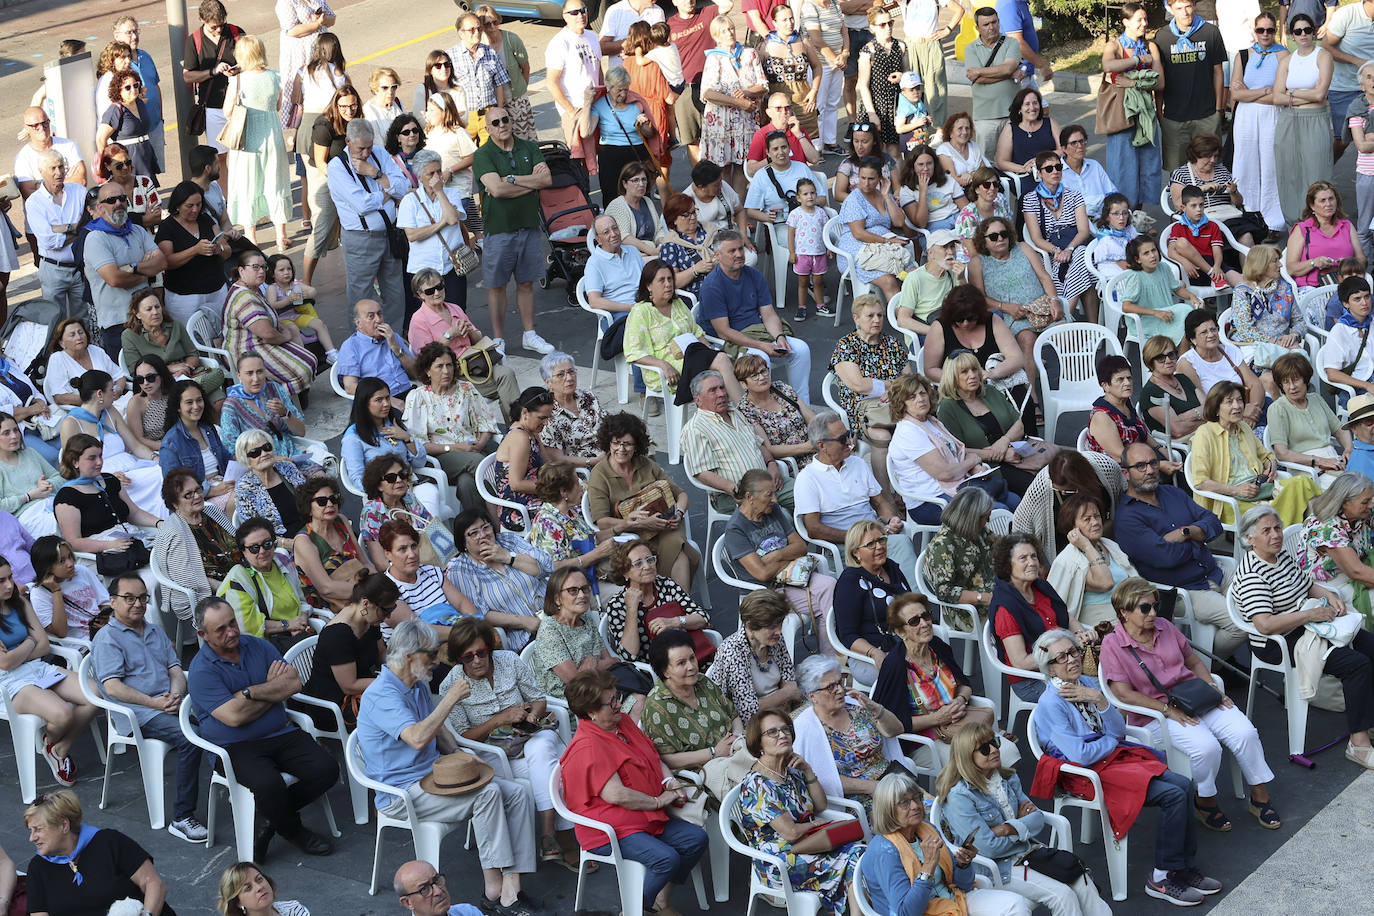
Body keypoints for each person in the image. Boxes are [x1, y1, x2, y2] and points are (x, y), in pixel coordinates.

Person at [357, 618, 538, 914]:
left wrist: (462, 754)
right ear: (408, 657)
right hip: (401, 793)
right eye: (431, 654)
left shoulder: (414, 683)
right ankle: (494, 894)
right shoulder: (381, 695)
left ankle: (512, 888)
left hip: (435, 776)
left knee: (517, 793)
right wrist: (450, 699)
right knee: (488, 794)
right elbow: (417, 738)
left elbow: (440, 731)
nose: (436, 660)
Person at [1030, 628, 1221, 905]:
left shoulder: (1087, 683)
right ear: (1049, 668)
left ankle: (1182, 867)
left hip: (1111, 760)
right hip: (1086, 774)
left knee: (1184, 783)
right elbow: (1081, 755)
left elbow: (1120, 728)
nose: (1071, 660)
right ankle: (1161, 877)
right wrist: (1110, 739)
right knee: (1173, 794)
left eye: (1073, 652)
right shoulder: (1050, 703)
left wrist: (1101, 701)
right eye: (1061, 657)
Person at [1099, 576, 1278, 832]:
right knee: (1206, 747)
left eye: (1154, 606)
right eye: (1144, 608)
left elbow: (1193, 662)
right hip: (1155, 714)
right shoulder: (1113, 645)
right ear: (1124, 612)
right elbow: (1124, 695)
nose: (1153, 613)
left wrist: (1212, 687)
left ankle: (1259, 795)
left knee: (1244, 731)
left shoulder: (1164, 626)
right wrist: (1167, 710)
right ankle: (1205, 801)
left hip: (1194, 697)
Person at [188, 595, 340, 859]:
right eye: (221, 629)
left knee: (327, 768)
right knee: (268, 784)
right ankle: (295, 831)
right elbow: (234, 718)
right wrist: (273, 692)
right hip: (234, 746)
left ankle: (269, 818)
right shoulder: (202, 671)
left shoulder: (258, 646)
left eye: (232, 622)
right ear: (203, 634)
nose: (232, 631)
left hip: (280, 733)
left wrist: (249, 692)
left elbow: (293, 684)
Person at [559, 667, 708, 916]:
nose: (618, 705)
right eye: (611, 703)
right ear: (592, 713)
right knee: (666, 859)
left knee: (695, 840)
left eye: (617, 697)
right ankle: (633, 910)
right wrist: (659, 801)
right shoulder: (589, 745)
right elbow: (617, 795)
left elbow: (652, 755)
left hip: (641, 814)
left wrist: (669, 782)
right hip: (608, 826)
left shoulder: (622, 722)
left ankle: (657, 902)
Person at [1234, 503, 1374, 769]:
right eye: (1266, 531)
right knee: (1357, 664)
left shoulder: (1278, 557)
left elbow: (1307, 584)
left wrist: (1329, 596)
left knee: (1371, 645)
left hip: (1304, 626)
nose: (1275, 535)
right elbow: (1264, 625)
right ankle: (1358, 743)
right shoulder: (1253, 573)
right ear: (1249, 538)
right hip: (1279, 642)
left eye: (1277, 528)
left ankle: (1367, 719)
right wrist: (1310, 616)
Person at [439, 616, 576, 870]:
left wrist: (532, 717)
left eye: (482, 652)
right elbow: (463, 738)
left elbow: (537, 699)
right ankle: (563, 838)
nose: (477, 660)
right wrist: (499, 720)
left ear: (490, 649)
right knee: (557, 767)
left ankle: (547, 833)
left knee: (544, 744)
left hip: (529, 741)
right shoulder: (452, 684)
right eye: (468, 657)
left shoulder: (509, 661)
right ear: (459, 658)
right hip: (492, 755)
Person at [938, 723, 1110, 916]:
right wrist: (1021, 827)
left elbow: (1037, 818)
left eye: (994, 743)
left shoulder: (1007, 778)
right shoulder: (959, 797)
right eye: (985, 749)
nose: (994, 750)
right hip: (998, 867)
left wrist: (1007, 829)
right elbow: (987, 848)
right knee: (1062, 895)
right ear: (967, 757)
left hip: (1028, 852)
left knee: (1081, 878)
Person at [92, 570, 208, 841]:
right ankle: (182, 817)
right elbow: (113, 687)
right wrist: (155, 703)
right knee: (191, 738)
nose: (138, 604)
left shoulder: (154, 630)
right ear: (113, 601)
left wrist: (175, 695)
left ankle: (231, 783)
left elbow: (175, 669)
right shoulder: (108, 639)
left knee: (220, 717)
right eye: (129, 598)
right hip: (139, 714)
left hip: (167, 702)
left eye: (143, 598)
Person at [1115, 440, 1247, 662]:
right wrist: (1198, 538)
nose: (1149, 470)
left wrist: (1187, 532)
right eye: (1140, 466)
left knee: (1261, 600)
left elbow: (1213, 523)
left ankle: (1211, 658)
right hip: (1183, 590)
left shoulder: (1171, 493)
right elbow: (1166, 557)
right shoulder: (1127, 518)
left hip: (1214, 572)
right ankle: (1207, 663)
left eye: (1153, 463)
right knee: (1241, 623)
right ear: (1125, 473)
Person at [734, 708, 865, 916]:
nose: (782, 735)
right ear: (758, 743)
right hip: (779, 860)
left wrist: (808, 771)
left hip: (810, 844)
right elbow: (791, 833)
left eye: (785, 729)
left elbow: (820, 806)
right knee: (856, 857)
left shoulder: (791, 771)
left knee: (860, 854)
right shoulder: (757, 785)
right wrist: (817, 825)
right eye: (773, 732)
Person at [864, 769, 1029, 916]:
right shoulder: (884, 850)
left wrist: (963, 865)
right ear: (888, 810)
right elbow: (907, 911)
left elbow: (963, 886)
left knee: (1016, 905)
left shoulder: (926, 829)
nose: (915, 806)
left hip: (952, 900)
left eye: (917, 798)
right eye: (905, 802)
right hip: (924, 911)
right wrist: (928, 867)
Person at [0, 553, 95, 787]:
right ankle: (55, 745)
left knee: (95, 694)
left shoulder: (19, 602)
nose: (10, 585)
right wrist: (30, 642)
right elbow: (6, 664)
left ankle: (57, 747)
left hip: (37, 668)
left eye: (10, 577)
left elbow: (43, 644)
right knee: (62, 713)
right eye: (1, 581)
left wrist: (23, 649)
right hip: (10, 683)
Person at [871, 592, 996, 766]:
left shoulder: (937, 647)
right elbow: (891, 725)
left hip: (958, 727)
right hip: (923, 742)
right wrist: (938, 718)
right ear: (900, 632)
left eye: (926, 616)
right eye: (914, 621)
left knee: (1005, 752)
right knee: (981, 761)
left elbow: (964, 685)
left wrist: (960, 700)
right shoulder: (895, 665)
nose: (925, 623)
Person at [474, 104, 555, 357]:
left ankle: (529, 334)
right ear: (488, 129)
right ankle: (498, 339)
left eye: (504, 119)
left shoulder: (529, 147)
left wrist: (511, 180)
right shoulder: (483, 155)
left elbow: (547, 180)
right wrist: (530, 183)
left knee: (526, 282)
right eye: (495, 123)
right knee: (496, 286)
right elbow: (495, 190)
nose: (502, 125)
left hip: (528, 227)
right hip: (499, 230)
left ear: (512, 120)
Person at [587, 412, 698, 589]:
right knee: (682, 552)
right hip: (631, 536)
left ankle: (677, 607)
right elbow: (602, 522)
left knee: (676, 542)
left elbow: (682, 495)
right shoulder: (600, 475)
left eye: (628, 444)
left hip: (665, 527)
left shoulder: (646, 464)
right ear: (608, 442)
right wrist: (635, 523)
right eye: (616, 442)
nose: (621, 449)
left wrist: (678, 512)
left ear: (636, 445)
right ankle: (679, 607)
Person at [1189, 380, 1321, 528]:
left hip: (1260, 489)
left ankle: (1312, 535)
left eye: (1239, 400)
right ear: (1216, 408)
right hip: (1231, 500)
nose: (1237, 406)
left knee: (1303, 483)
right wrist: (1236, 490)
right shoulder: (1205, 433)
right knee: (1270, 513)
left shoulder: (1243, 427)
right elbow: (1200, 482)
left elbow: (1267, 456)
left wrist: (1270, 467)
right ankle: (1290, 536)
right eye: (1229, 402)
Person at [22, 790, 173, 916]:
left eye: (38, 829)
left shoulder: (109, 842)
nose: (32, 838)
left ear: (64, 825)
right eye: (31, 831)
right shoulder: (38, 867)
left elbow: (154, 884)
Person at [725, 468, 838, 635]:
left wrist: (777, 555)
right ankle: (832, 655)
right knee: (830, 605)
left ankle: (830, 656)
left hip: (792, 578)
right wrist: (789, 555)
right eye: (768, 495)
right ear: (749, 497)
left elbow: (801, 546)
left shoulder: (773, 510)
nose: (775, 499)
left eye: (774, 493)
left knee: (831, 585)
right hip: (763, 593)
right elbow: (762, 574)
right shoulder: (736, 530)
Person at [888, 372, 1017, 520]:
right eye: (912, 397)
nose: (921, 399)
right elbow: (945, 474)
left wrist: (975, 467)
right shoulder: (908, 432)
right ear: (901, 403)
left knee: (1014, 500)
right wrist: (973, 461)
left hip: (958, 486)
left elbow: (957, 452)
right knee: (998, 512)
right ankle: (1001, 543)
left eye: (922, 393)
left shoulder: (931, 421)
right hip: (930, 502)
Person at [700, 230, 811, 400]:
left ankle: (802, 405)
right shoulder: (712, 286)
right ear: (717, 255)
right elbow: (724, 331)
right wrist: (762, 346)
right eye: (732, 251)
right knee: (761, 359)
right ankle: (766, 412)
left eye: (741, 249)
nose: (739, 254)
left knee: (801, 349)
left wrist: (780, 337)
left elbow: (768, 314)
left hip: (759, 333)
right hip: (730, 343)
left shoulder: (754, 275)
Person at [793, 653, 910, 811]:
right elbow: (820, 779)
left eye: (840, 682)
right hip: (858, 799)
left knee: (932, 815)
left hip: (893, 780)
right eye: (830, 687)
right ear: (812, 695)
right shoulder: (805, 727)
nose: (840, 690)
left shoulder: (856, 705)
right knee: (907, 820)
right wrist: (871, 787)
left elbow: (896, 730)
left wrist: (874, 707)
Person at [967, 216, 1061, 405]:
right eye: (993, 237)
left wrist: (1055, 300)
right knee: (1027, 340)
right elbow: (979, 299)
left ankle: (1074, 384)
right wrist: (1005, 307)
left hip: (1042, 308)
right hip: (1013, 317)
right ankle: (1031, 397)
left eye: (1003, 234)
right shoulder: (978, 263)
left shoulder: (1023, 248)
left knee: (1069, 334)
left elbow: (1044, 277)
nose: (1000, 239)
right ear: (983, 240)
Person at [625, 258, 740, 409]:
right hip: (666, 370)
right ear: (648, 286)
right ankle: (746, 412)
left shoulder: (678, 304)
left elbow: (697, 333)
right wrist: (664, 365)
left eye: (670, 279)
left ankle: (730, 414)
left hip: (693, 356)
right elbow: (633, 352)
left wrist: (710, 350)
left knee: (725, 363)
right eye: (661, 280)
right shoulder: (641, 311)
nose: (668, 284)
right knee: (721, 363)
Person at [328, 120, 409, 329]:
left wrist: (375, 173)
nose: (365, 153)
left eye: (369, 147)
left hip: (390, 233)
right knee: (361, 297)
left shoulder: (379, 154)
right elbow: (362, 204)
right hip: (361, 239)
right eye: (360, 148)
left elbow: (404, 186)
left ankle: (394, 342)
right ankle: (362, 345)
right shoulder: (337, 166)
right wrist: (387, 193)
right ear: (347, 141)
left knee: (395, 293)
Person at [407, 272, 518, 419]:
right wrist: (449, 335)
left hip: (476, 365)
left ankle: (517, 429)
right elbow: (426, 360)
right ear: (420, 294)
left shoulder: (454, 308)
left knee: (506, 375)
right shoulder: (418, 320)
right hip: (453, 375)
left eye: (439, 287)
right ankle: (516, 430)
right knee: (505, 386)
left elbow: (479, 340)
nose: (437, 293)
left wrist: (470, 330)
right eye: (429, 291)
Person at [683, 370, 795, 515]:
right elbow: (702, 473)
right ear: (698, 399)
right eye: (713, 390)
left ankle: (815, 532)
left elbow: (758, 444)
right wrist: (734, 489)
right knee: (779, 523)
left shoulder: (735, 413)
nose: (721, 393)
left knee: (811, 495)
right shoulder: (695, 429)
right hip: (733, 495)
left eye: (722, 387)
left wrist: (771, 464)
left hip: (768, 482)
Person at [935, 350, 1044, 496]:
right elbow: (957, 450)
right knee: (1037, 489)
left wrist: (1004, 442)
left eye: (974, 369)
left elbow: (1019, 425)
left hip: (1018, 453)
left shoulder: (990, 391)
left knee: (1058, 474)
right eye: (964, 372)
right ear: (953, 377)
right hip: (988, 467)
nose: (972, 375)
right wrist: (998, 454)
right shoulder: (948, 408)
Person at [830, 292, 910, 488]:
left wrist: (890, 390)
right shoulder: (846, 345)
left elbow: (908, 379)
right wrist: (891, 385)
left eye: (880, 315)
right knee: (882, 436)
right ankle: (883, 495)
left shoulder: (892, 343)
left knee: (916, 428)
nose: (876, 320)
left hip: (896, 402)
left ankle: (907, 491)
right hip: (864, 409)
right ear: (856, 318)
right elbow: (859, 385)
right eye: (870, 316)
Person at [641, 628, 741, 783]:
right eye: (681, 663)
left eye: (692, 658)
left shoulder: (703, 682)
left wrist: (737, 739)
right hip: (706, 770)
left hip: (736, 749)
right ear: (665, 671)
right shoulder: (657, 706)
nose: (692, 666)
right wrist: (714, 752)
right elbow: (667, 758)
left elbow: (733, 714)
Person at [447, 508, 554, 651]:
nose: (483, 535)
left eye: (486, 527)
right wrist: (524, 622)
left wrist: (508, 557)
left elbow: (546, 567)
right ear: (463, 542)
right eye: (474, 533)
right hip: (525, 634)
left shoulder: (509, 541)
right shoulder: (460, 569)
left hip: (556, 613)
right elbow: (480, 614)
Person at [52, 435, 163, 569]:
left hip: (130, 538)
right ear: (75, 462)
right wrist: (110, 545)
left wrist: (159, 523)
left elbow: (134, 513)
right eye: (92, 458)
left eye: (100, 456)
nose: (99, 462)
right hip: (104, 554)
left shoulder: (110, 480)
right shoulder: (67, 496)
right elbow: (73, 542)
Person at [83, 180, 168, 356]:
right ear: (99, 208)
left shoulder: (137, 230)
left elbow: (161, 262)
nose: (118, 203)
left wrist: (133, 267)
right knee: (132, 378)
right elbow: (115, 279)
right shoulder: (95, 238)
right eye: (111, 200)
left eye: (122, 198)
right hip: (118, 324)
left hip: (146, 319)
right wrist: (146, 273)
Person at [225, 34, 293, 252]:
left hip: (247, 140)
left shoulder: (238, 80)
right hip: (272, 136)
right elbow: (279, 105)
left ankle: (251, 236)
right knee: (276, 182)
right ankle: (281, 235)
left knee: (248, 184)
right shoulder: (276, 77)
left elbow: (227, 112)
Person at [918, 284, 1025, 416]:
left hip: (994, 385)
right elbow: (930, 369)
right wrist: (959, 380)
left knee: (1020, 396)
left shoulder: (992, 321)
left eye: (971, 318)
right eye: (959, 319)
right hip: (957, 391)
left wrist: (992, 374)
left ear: (979, 314)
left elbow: (1016, 358)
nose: (965, 324)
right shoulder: (940, 327)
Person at [342, 377, 442, 518]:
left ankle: (430, 537)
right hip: (382, 496)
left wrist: (407, 438)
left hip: (409, 486)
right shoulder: (353, 437)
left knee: (430, 492)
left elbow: (419, 462)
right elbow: (357, 478)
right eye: (379, 400)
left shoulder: (394, 424)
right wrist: (384, 488)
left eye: (387, 398)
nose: (386, 404)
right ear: (364, 403)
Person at [223, 252, 318, 398]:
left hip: (259, 343)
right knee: (303, 371)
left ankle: (282, 399)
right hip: (246, 350)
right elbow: (267, 334)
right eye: (255, 267)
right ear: (241, 271)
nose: (261, 271)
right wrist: (285, 336)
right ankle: (267, 406)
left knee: (311, 360)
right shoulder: (245, 297)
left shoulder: (252, 289)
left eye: (263, 267)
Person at [603, 537, 711, 664]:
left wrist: (674, 622)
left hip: (689, 655)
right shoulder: (617, 605)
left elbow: (703, 618)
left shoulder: (666, 584)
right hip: (655, 667)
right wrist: (631, 609)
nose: (647, 566)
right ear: (625, 572)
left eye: (650, 560)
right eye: (638, 564)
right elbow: (629, 654)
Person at [833, 517, 914, 684]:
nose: (879, 546)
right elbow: (847, 635)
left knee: (941, 657)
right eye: (871, 544)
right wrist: (875, 653)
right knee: (913, 674)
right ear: (856, 552)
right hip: (869, 654)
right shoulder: (850, 582)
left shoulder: (891, 567)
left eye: (881, 540)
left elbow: (910, 602)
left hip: (906, 641)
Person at [153, 466, 236, 625]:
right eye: (188, 495)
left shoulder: (212, 512)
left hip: (238, 574)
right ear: (175, 503)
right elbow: (190, 579)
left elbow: (237, 539)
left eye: (198, 490)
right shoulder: (173, 532)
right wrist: (231, 587)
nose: (197, 496)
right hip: (212, 592)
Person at [1274, 16, 1336, 225]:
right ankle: (1295, 224)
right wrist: (1302, 94)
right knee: (1289, 174)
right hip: (1289, 120)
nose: (1303, 35)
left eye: (1307, 30)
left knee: (1317, 173)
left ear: (1314, 31)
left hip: (1315, 120)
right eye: (1298, 31)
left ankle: (1321, 224)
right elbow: (1276, 97)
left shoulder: (1323, 56)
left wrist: (1291, 94)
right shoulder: (1286, 60)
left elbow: (1320, 95)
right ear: (1292, 35)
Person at [1020, 149, 1095, 320]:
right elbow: (1036, 238)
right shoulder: (1030, 199)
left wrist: (1069, 249)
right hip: (1053, 251)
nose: (1055, 171)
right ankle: (1093, 327)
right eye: (1048, 169)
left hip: (1076, 244)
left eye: (1058, 167)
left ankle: (1066, 313)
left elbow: (1084, 230)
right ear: (1039, 173)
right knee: (1085, 270)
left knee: (1081, 255)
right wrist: (1057, 251)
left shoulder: (1074, 194)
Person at [1230, 12, 1288, 234]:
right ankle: (1248, 211)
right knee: (1245, 162)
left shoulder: (1283, 55)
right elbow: (1235, 94)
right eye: (1261, 30)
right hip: (1245, 116)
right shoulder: (1243, 55)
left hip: (1272, 114)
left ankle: (1273, 219)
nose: (1265, 34)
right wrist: (1265, 90)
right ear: (1254, 31)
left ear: (1275, 30)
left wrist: (1251, 93)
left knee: (1270, 165)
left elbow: (1280, 95)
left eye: (1270, 30)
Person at [1046, 493, 1137, 632]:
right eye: (1087, 519)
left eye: (1097, 516)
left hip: (1130, 609)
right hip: (1102, 621)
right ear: (1072, 526)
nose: (1095, 522)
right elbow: (1105, 583)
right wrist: (1086, 546)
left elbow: (1131, 578)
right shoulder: (1070, 560)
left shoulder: (1109, 545)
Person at [218, 353, 320, 475]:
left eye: (260, 372)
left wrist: (285, 413)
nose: (256, 379)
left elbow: (301, 431)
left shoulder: (274, 389)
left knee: (320, 478)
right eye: (249, 373)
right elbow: (234, 452)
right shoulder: (231, 406)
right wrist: (273, 459)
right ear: (239, 375)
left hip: (292, 456)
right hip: (262, 467)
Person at [218, 516, 312, 647]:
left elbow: (301, 601)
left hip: (299, 634)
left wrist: (301, 620)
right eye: (254, 548)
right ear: (243, 551)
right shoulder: (238, 578)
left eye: (267, 544)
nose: (262, 551)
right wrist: (288, 625)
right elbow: (248, 627)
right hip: (264, 646)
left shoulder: (282, 561)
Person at [700, 16, 769, 196]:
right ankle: (726, 211)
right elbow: (707, 93)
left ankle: (740, 211)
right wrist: (738, 102)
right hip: (721, 124)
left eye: (731, 28)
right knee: (722, 169)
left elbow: (763, 85)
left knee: (742, 166)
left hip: (745, 122)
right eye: (724, 31)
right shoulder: (714, 58)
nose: (729, 33)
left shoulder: (749, 53)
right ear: (716, 36)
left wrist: (746, 93)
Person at [1157, 0, 1226, 174]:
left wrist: (1219, 109)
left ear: (1194, 5)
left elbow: (1218, 72)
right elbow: (1159, 78)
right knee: (1178, 173)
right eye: (1179, 8)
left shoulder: (1210, 32)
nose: (1185, 12)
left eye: (1188, 6)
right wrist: (1159, 111)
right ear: (1170, 10)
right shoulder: (1162, 36)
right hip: (1174, 117)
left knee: (1211, 170)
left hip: (1207, 115)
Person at [302, 86, 359, 285]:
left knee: (354, 227)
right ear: (336, 105)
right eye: (344, 106)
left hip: (349, 177)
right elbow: (320, 162)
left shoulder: (357, 121)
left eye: (353, 105)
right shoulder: (324, 125)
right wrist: (341, 183)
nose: (349, 110)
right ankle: (306, 283)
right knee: (322, 227)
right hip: (325, 177)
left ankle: (365, 278)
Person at [835, 157, 913, 300]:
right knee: (889, 281)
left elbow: (899, 221)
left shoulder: (882, 195)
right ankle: (900, 320)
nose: (866, 183)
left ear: (880, 178)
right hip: (857, 251)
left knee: (914, 274)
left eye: (871, 179)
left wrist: (886, 196)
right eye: (862, 178)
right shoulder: (854, 199)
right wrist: (887, 241)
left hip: (883, 246)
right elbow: (858, 233)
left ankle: (919, 313)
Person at [123, 289, 225, 397]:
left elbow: (193, 354)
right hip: (158, 382)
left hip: (189, 375)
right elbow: (135, 371)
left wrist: (186, 369)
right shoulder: (129, 336)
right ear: (137, 314)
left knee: (218, 398)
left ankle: (187, 391)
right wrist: (169, 369)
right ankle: (187, 393)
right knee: (189, 395)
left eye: (157, 307)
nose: (155, 312)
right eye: (149, 309)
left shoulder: (176, 325)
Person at [23, 150, 88, 318]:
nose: (58, 172)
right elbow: (47, 242)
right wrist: (76, 229)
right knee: (54, 321)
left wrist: (57, 228)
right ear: (42, 171)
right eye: (52, 168)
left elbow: (89, 225)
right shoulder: (34, 202)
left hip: (79, 267)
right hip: (53, 268)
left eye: (61, 167)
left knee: (84, 319)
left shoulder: (79, 192)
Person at [1086, 354, 1174, 474]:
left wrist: (1160, 449)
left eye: (1129, 378)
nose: (1127, 383)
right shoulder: (1102, 416)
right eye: (1120, 379)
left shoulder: (1125, 402)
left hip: (1142, 462)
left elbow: (1142, 432)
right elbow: (1120, 457)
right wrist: (1157, 465)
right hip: (1123, 472)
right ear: (1105, 385)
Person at [1267, 352, 1350, 481]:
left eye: (1295, 380)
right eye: (1286, 382)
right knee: (1351, 493)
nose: (1292, 387)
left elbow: (1340, 430)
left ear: (1305, 379)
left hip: (1334, 462)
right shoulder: (1278, 409)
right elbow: (1281, 453)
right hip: (1305, 470)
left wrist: (1348, 449)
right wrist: (1318, 461)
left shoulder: (1316, 399)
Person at [529, 462, 616, 582]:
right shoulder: (547, 523)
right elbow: (555, 567)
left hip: (595, 571)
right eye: (577, 483)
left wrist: (624, 527)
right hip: (577, 585)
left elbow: (589, 537)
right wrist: (597, 553)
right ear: (564, 491)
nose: (581, 486)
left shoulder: (569, 511)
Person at [182, 0, 241, 171]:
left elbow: (251, 61)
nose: (219, 30)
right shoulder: (194, 40)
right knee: (220, 157)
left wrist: (238, 69)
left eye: (221, 25)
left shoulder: (236, 33)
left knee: (240, 154)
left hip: (239, 106)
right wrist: (212, 72)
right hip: (213, 108)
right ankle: (227, 197)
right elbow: (187, 75)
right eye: (213, 27)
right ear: (202, 20)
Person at [1176, 309, 1266, 417]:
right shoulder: (1187, 363)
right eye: (1204, 332)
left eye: (1213, 329)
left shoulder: (1230, 351)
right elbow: (1204, 405)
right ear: (1193, 339)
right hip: (1219, 420)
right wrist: (1241, 414)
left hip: (1248, 412)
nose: (1211, 335)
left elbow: (1255, 384)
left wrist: (1253, 411)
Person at [29, 532, 115, 643]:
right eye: (61, 561)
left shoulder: (81, 571)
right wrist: (56, 591)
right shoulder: (39, 593)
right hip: (82, 644)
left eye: (70, 556)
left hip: (106, 630)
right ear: (47, 567)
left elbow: (105, 602)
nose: (70, 564)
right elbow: (61, 632)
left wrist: (105, 618)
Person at [1117, 236, 1203, 344]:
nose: (1152, 255)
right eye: (1146, 253)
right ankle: (1182, 356)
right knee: (1186, 319)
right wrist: (1155, 313)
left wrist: (1192, 297)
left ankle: (1183, 355)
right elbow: (1126, 306)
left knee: (1189, 314)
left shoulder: (1163, 267)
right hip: (1146, 320)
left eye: (1154, 250)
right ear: (1137, 259)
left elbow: (1176, 288)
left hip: (1166, 314)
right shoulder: (1136, 277)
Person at [735, 354, 815, 468]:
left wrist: (823, 435)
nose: (762, 377)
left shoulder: (780, 388)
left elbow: (811, 418)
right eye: (754, 376)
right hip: (791, 462)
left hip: (815, 446)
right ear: (743, 384)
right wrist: (807, 447)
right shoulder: (745, 410)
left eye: (763, 371)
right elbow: (769, 449)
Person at [964, 6, 1023, 154]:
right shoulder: (971, 49)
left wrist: (979, 71)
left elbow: (1008, 68)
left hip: (1013, 114)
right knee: (987, 162)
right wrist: (1008, 74)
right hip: (985, 117)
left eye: (994, 22)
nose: (991, 27)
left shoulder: (1012, 43)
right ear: (977, 28)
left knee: (1014, 157)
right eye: (986, 24)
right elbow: (977, 79)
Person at [758, 13, 822, 145]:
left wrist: (814, 90)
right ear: (775, 23)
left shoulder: (803, 41)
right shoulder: (765, 45)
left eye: (791, 18)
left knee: (809, 146)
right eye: (784, 19)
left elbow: (817, 66)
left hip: (803, 102)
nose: (789, 22)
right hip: (777, 107)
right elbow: (757, 75)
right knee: (778, 145)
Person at [547, 1, 604, 150]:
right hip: (575, 107)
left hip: (596, 106)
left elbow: (598, 70)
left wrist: (604, 99)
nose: (581, 15)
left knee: (600, 154)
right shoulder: (560, 42)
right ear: (565, 16)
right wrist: (570, 111)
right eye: (574, 12)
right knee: (579, 160)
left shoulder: (592, 37)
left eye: (583, 10)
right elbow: (551, 82)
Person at [336, 299, 417, 402]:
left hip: (408, 394)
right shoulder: (351, 346)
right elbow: (350, 387)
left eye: (380, 314)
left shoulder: (393, 337)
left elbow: (416, 373)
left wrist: (396, 347)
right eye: (371, 316)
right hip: (379, 403)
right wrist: (388, 400)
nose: (378, 320)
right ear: (358, 323)